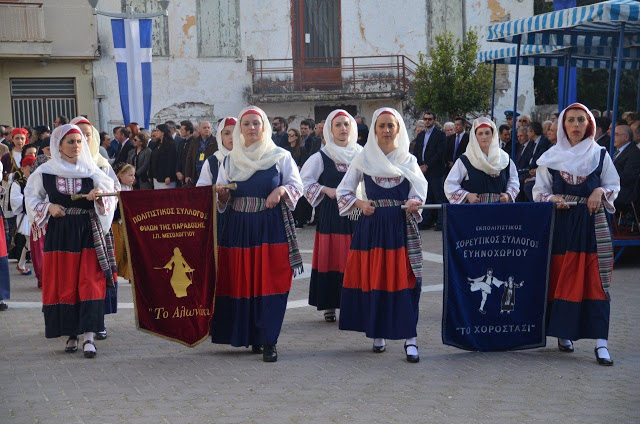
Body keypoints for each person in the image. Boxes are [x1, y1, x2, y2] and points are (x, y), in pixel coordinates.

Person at [212, 106, 303, 363]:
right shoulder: (229, 160)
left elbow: (298, 185)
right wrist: (222, 196)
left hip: (269, 227)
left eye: (256, 123)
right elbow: (221, 195)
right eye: (247, 124)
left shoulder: (280, 156)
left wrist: (282, 191)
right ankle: (250, 334)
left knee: (270, 281)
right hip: (239, 227)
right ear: (240, 129)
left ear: (265, 127)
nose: (252, 128)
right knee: (243, 282)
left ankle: (269, 339)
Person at [336, 107, 428, 363]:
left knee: (407, 281)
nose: (387, 130)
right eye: (382, 126)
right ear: (374, 130)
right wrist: (360, 204)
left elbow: (420, 191)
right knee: (376, 279)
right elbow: (344, 191)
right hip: (373, 229)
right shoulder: (363, 159)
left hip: (401, 228)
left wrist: (414, 202)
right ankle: (378, 332)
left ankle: (410, 338)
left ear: (398, 129)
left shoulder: (408, 160)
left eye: (391, 126)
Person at [533, 103, 620, 366]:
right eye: (570, 120)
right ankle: (563, 333)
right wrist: (553, 198)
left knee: (595, 280)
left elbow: (613, 185)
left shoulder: (601, 154)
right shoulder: (550, 157)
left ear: (589, 124)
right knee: (562, 278)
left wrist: (599, 192)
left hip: (592, 225)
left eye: (581, 120)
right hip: (562, 225)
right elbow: (539, 191)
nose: (576, 125)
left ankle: (601, 342)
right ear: (562, 125)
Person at [25, 124, 117, 358]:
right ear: (59, 145)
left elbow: (111, 198)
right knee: (64, 282)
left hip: (87, 231)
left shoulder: (93, 171)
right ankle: (70, 334)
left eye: (79, 142)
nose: (77, 146)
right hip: (61, 234)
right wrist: (48, 207)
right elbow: (31, 197)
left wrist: (98, 198)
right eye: (71, 142)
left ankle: (89, 337)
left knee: (89, 282)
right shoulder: (45, 171)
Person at [300, 110, 362, 322]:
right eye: (338, 125)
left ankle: (354, 301)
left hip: (356, 212)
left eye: (346, 124)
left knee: (355, 256)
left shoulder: (362, 154)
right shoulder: (321, 156)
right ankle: (329, 303)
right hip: (332, 212)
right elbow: (305, 182)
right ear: (329, 129)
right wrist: (326, 189)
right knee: (333, 256)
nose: (343, 128)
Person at [444, 117, 519, 204]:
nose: (484, 137)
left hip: (500, 211)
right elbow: (450, 184)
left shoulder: (504, 159)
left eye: (487, 133)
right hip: (474, 211)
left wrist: (508, 195)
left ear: (493, 135)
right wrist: (467, 195)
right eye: (480, 133)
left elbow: (513, 181)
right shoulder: (466, 159)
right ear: (475, 137)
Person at [412, 110, 446, 230]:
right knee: (426, 196)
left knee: (438, 196)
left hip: (435, 170)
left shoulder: (440, 135)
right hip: (422, 171)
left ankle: (441, 222)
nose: (427, 121)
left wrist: (427, 166)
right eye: (425, 119)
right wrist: (419, 166)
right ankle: (426, 222)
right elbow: (416, 151)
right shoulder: (421, 135)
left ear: (434, 120)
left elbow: (439, 153)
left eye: (429, 119)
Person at [10, 156, 37, 276]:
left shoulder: (38, 180)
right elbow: (15, 200)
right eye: (29, 167)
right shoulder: (18, 183)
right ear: (23, 168)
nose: (32, 169)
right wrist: (30, 200)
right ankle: (26, 265)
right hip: (25, 215)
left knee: (30, 242)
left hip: (37, 214)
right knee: (31, 242)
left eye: (33, 166)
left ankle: (21, 265)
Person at [111, 162, 134, 285]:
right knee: (118, 251)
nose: (133, 178)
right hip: (116, 224)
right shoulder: (116, 189)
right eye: (130, 175)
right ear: (120, 176)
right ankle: (112, 273)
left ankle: (131, 274)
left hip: (125, 224)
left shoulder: (130, 189)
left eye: (133, 175)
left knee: (129, 249)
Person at [284, 128, 310, 228]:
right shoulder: (286, 149)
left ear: (296, 137)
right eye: (288, 135)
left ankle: (300, 220)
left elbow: (303, 162)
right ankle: (292, 219)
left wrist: (297, 168)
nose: (289, 137)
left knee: (299, 199)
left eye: (292, 135)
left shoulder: (301, 149)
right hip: (288, 176)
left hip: (298, 176)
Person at [612, 125, 640, 209]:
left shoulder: (634, 153)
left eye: (616, 134)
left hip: (624, 192)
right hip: (614, 187)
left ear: (626, 137)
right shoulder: (618, 151)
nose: (613, 137)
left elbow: (628, 177)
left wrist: (608, 179)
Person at [185, 121, 215, 186]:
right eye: (204, 128)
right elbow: (189, 158)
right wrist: (187, 175)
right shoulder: (194, 142)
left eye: (208, 128)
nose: (207, 129)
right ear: (199, 130)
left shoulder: (215, 142)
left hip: (211, 174)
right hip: (196, 174)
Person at [150, 124, 177, 189]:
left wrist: (169, 176)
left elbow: (171, 161)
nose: (156, 133)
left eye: (157, 131)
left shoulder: (171, 144)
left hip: (166, 177)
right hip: (156, 176)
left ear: (163, 132)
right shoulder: (157, 144)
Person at [176, 120, 194, 186]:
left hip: (188, 175)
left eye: (182, 130)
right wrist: (177, 171)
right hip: (179, 175)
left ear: (188, 131)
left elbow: (190, 160)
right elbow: (178, 158)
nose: (181, 131)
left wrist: (184, 173)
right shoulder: (181, 142)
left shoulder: (194, 142)